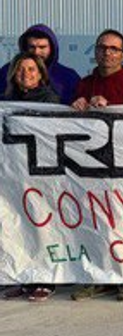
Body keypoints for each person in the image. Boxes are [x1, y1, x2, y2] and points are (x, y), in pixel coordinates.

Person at [70, 30, 123, 302]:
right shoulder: (84, 84)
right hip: (91, 167)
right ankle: (101, 276)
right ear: (95, 51)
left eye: (114, 49)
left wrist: (111, 108)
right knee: (94, 221)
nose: (108, 53)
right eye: (103, 48)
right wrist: (77, 107)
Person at [3, 54, 60, 301]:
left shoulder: (50, 100)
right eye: (21, 69)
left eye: (32, 69)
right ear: (14, 74)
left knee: (42, 226)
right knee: (19, 227)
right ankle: (24, 278)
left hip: (41, 174)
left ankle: (45, 280)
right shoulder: (6, 102)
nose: (27, 73)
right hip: (15, 175)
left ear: (40, 73)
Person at [0, 23, 81, 102]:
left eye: (42, 47)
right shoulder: (6, 72)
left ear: (51, 48)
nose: (36, 52)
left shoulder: (68, 77)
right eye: (32, 47)